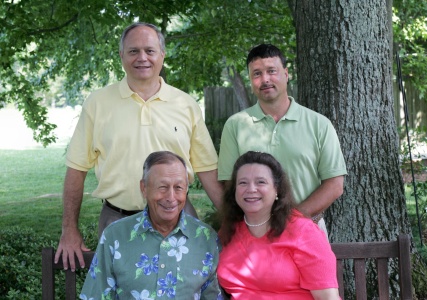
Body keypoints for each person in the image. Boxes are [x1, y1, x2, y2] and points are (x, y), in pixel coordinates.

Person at [56, 22, 223, 271]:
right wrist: (69, 229)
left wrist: (232, 222)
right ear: (121, 56)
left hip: (180, 218)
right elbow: (76, 170)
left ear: (162, 55)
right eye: (133, 51)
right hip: (118, 219)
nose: (142, 58)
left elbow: (207, 170)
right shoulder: (98, 103)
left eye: (150, 50)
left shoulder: (186, 104)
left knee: (186, 291)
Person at [218, 43, 347, 232]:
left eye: (272, 71)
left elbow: (335, 185)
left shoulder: (319, 124)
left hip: (307, 230)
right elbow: (229, 183)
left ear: (286, 74)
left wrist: (293, 221)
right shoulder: (236, 125)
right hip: (253, 233)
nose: (265, 79)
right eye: (257, 74)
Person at [80, 151, 224, 299]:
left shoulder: (206, 239)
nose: (171, 197)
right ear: (144, 188)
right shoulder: (114, 236)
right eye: (162, 187)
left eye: (179, 187)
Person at [217, 151, 339, 299]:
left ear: (277, 190)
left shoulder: (303, 231)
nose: (251, 189)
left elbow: (328, 297)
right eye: (243, 183)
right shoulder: (229, 230)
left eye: (260, 182)